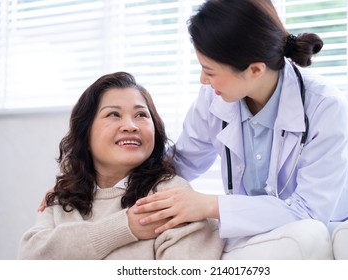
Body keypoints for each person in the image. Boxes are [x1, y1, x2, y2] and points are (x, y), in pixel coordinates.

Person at [131, 0, 348, 245]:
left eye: (210, 71)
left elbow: (308, 210)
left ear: (255, 70)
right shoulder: (214, 98)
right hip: (267, 235)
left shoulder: (324, 106)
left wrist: (208, 205)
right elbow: (181, 162)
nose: (203, 80)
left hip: (341, 230)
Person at [18, 72, 224, 260]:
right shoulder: (61, 199)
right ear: (85, 132)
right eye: (113, 114)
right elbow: (29, 258)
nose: (131, 126)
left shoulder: (171, 197)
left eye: (141, 115)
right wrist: (125, 227)